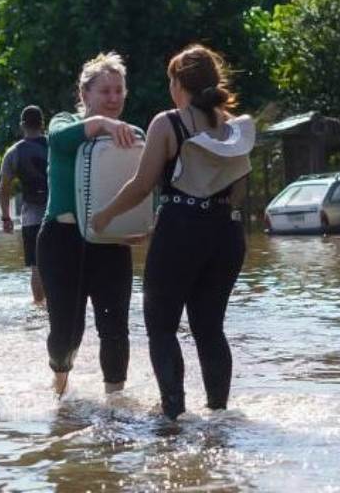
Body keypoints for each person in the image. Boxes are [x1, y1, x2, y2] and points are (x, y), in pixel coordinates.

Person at [91, 45, 251, 420]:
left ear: (180, 83)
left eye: (170, 81)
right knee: (210, 328)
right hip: (227, 234)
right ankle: (219, 415)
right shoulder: (234, 128)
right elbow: (241, 192)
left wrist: (105, 215)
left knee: (161, 326)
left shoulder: (168, 122)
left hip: (180, 231)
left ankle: (173, 416)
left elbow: (142, 185)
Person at [36, 52, 140, 396]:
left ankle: (116, 404)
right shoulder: (62, 123)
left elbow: (145, 187)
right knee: (67, 330)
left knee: (114, 328)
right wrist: (105, 125)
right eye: (104, 91)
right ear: (85, 95)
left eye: (118, 91)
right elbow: (59, 141)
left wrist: (143, 226)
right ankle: (59, 382)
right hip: (61, 240)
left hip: (111, 242)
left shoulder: (134, 134)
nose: (113, 99)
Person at [0, 105, 48, 304]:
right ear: (43, 124)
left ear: (22, 125)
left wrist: (5, 217)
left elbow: (4, 188)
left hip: (31, 218)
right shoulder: (55, 146)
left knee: (36, 267)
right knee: (61, 265)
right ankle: (57, 311)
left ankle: (39, 308)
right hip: (60, 214)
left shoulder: (14, 152)